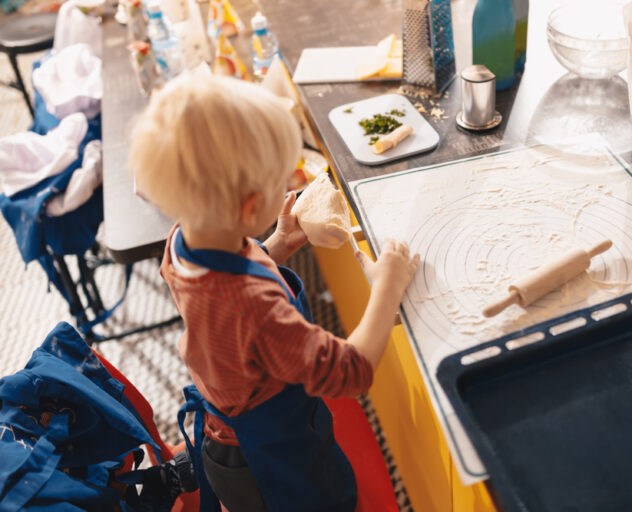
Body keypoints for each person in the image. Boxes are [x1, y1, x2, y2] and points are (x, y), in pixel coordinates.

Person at [128, 74, 419, 512]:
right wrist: (387, 288)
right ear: (249, 208)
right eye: (282, 179)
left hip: (229, 437)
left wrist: (276, 245)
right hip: (277, 459)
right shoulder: (256, 310)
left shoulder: (182, 242)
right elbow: (350, 370)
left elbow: (225, 300)